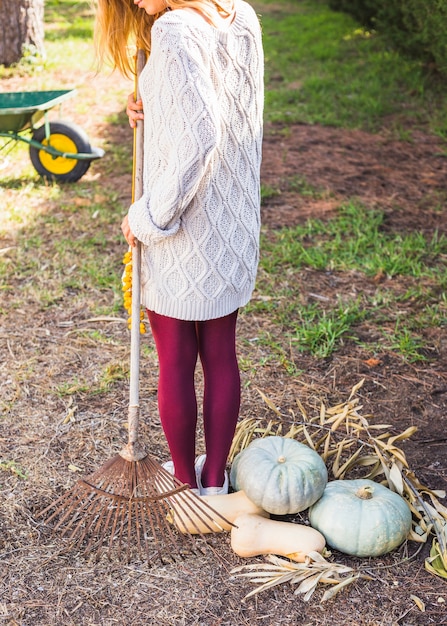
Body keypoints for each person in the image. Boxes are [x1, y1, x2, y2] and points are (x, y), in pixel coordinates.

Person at [94, 0, 264, 495]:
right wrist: (148, 106)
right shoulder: (243, 17)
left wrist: (148, 215)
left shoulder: (172, 29)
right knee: (220, 353)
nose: (131, 3)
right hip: (230, 224)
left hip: (183, 226)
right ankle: (215, 481)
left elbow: (200, 139)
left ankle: (186, 483)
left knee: (174, 359)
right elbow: (230, 113)